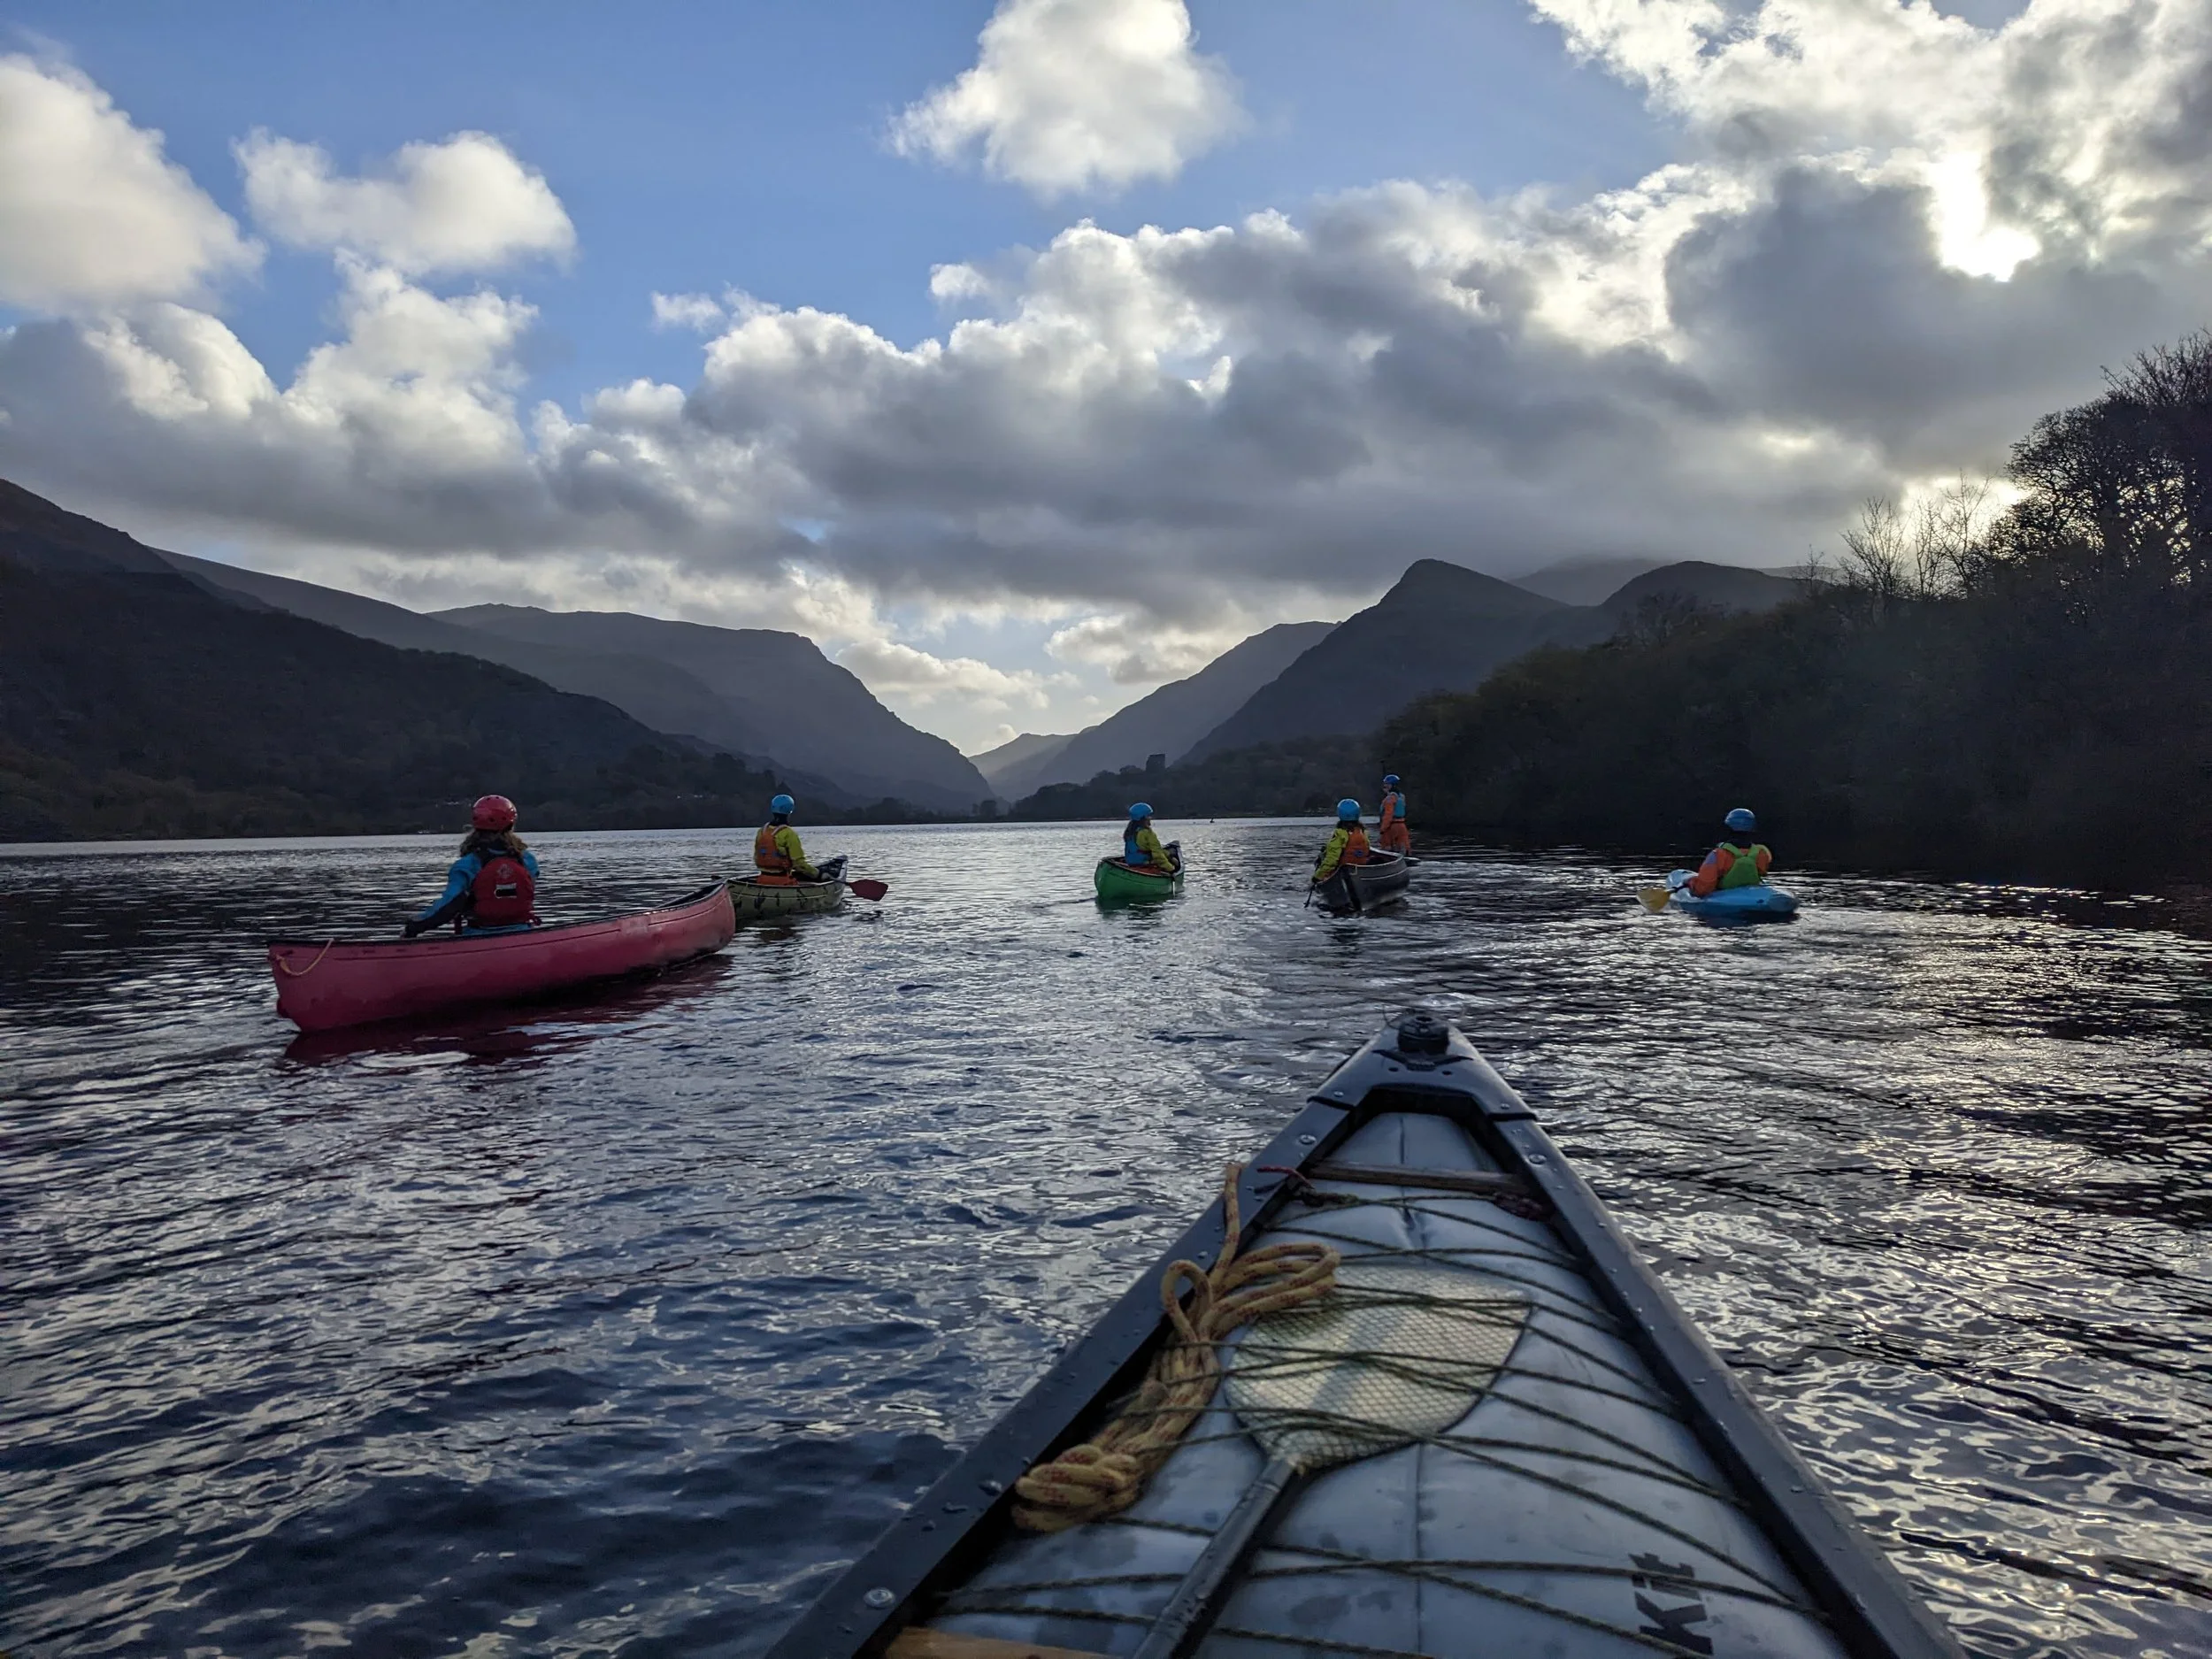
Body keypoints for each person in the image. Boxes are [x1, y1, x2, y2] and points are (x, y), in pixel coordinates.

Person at [404, 795, 540, 936]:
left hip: (477, 934)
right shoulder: (527, 860)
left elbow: (448, 907)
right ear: (511, 824)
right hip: (523, 933)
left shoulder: (467, 865)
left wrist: (413, 926)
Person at [1686, 808, 1773, 896]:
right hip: (1753, 895)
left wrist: (1691, 883)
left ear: (1728, 828)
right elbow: (1762, 873)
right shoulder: (1761, 853)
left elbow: (1703, 888)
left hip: (1725, 897)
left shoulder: (1717, 855)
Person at [754, 793, 819, 885]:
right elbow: (799, 864)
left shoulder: (762, 831)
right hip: (783, 882)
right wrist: (817, 873)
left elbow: (756, 857)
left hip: (762, 880)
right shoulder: (789, 834)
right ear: (790, 812)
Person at [1313, 798, 1371, 885]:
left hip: (1343, 871)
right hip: (1361, 869)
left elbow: (1332, 860)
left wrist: (1317, 877)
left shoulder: (1340, 834)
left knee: (1321, 858)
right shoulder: (1363, 833)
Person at [1121, 803, 1179, 872]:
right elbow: (1158, 855)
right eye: (1149, 815)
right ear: (1144, 817)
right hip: (1145, 864)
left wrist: (1169, 855)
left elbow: (1155, 850)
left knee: (1168, 853)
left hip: (1131, 864)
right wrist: (1170, 868)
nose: (1150, 818)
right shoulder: (1148, 833)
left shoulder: (1130, 832)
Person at [1377, 773, 1410, 855]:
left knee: (1386, 848)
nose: (1385, 786)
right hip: (1402, 826)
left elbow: (1388, 815)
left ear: (1392, 785)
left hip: (1391, 826)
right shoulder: (1401, 797)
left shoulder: (1390, 798)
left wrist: (1383, 829)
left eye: (1387, 784)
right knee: (1403, 847)